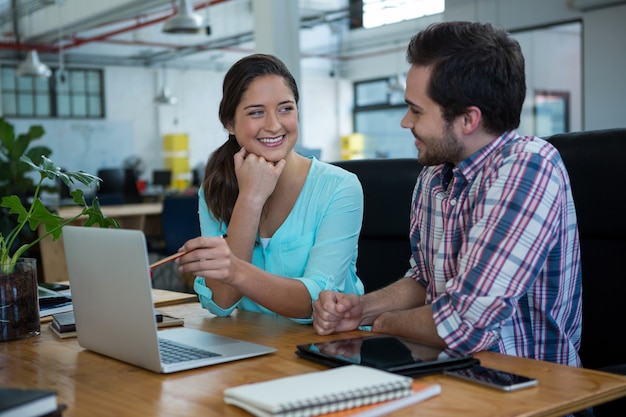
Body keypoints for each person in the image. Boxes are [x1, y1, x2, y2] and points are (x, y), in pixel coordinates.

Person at [313, 21, 582, 367]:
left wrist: (381, 323)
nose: (405, 122)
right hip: (447, 375)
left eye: (417, 109)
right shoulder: (434, 175)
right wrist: (361, 308)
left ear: (468, 119)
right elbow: (426, 280)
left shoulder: (529, 167)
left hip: (526, 390)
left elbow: (464, 325)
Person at [176, 54, 364, 323]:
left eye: (286, 109)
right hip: (253, 347)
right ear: (229, 123)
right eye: (256, 112)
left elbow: (318, 302)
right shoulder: (215, 190)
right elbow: (221, 303)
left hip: (327, 349)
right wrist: (250, 200)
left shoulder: (340, 187)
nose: (274, 125)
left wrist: (236, 272)